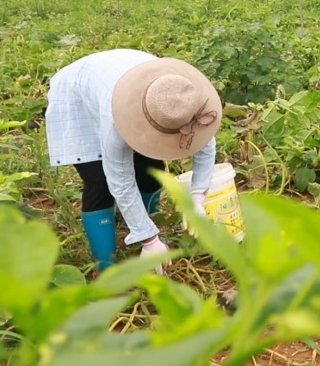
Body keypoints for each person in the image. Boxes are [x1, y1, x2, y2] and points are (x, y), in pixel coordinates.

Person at [45, 49, 222, 274]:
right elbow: (119, 180)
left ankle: (152, 223)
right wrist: (148, 241)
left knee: (151, 170)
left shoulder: (185, 100)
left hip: (133, 76)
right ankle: (107, 266)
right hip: (79, 90)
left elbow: (206, 146)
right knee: (99, 182)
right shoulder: (114, 122)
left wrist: (197, 197)